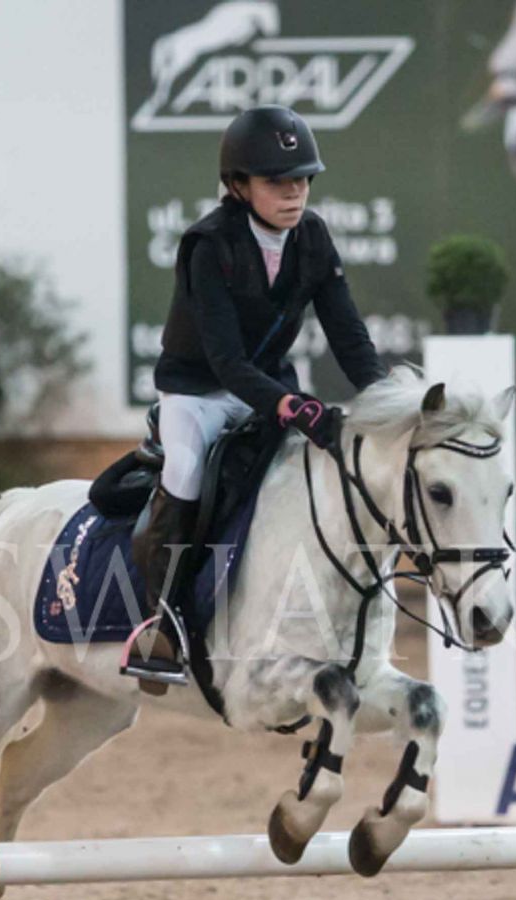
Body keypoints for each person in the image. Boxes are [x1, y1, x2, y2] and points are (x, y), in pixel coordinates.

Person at [123, 104, 388, 685]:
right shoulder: (208, 244)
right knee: (186, 471)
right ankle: (161, 623)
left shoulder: (312, 237)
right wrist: (292, 406)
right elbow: (226, 361)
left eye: (302, 179)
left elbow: (348, 335)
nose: (294, 193)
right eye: (276, 181)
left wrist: (387, 399)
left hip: (265, 386)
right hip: (196, 390)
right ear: (239, 186)